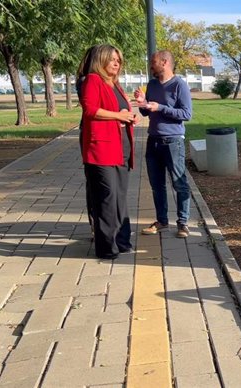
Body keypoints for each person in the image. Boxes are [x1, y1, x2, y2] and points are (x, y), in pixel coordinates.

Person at [80, 44, 140, 259]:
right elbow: (90, 110)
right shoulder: (93, 80)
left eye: (119, 60)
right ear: (101, 60)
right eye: (113, 59)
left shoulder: (115, 84)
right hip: (101, 150)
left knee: (120, 197)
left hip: (120, 148)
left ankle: (122, 242)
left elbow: (121, 112)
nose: (117, 63)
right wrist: (119, 116)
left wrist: (130, 117)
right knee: (107, 197)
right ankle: (106, 247)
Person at [134, 50, 193, 238]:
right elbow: (147, 113)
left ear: (165, 62)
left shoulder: (179, 85)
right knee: (157, 185)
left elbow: (186, 114)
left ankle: (183, 223)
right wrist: (142, 103)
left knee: (179, 183)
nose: (151, 65)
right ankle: (162, 221)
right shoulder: (151, 84)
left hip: (173, 142)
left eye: (153, 62)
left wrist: (160, 107)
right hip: (153, 141)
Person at [76, 45, 100, 239]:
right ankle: (96, 224)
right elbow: (92, 109)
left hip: (98, 134)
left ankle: (100, 223)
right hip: (91, 134)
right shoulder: (88, 80)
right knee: (93, 180)